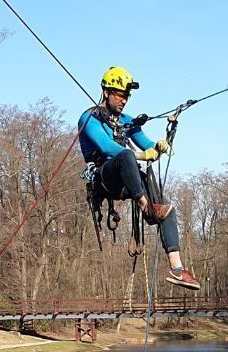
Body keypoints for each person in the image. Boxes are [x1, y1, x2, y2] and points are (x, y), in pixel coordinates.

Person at [78, 66, 200, 290]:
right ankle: (146, 208)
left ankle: (177, 268)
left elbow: (146, 143)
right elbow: (107, 146)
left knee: (167, 208)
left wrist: (159, 147)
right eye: (120, 95)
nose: (124, 100)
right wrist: (141, 155)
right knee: (126, 155)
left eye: (127, 96)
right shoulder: (89, 118)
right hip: (105, 177)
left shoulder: (127, 120)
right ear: (106, 92)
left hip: (128, 178)